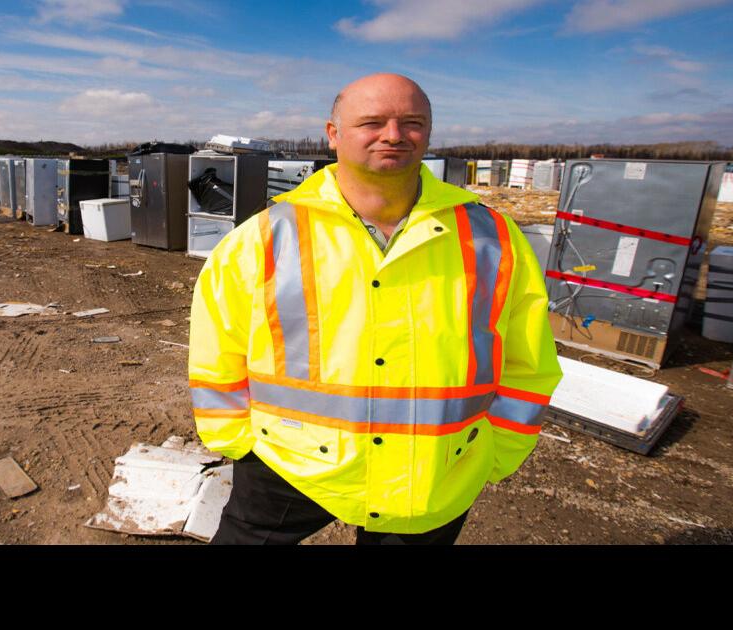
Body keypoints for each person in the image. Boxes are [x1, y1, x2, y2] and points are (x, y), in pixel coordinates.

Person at [187, 73, 563, 545]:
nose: (393, 135)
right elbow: (217, 347)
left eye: (411, 122)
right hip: (290, 463)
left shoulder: (494, 238)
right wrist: (234, 442)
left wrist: (498, 450)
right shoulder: (265, 236)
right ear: (333, 134)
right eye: (372, 122)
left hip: (433, 471)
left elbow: (529, 357)